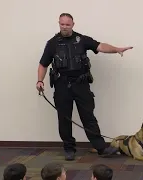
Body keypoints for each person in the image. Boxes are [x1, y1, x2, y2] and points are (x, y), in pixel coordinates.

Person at [36, 13, 133, 161]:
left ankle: (101, 148)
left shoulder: (82, 40)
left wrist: (116, 49)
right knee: (64, 119)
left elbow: (100, 46)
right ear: (59, 24)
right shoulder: (52, 43)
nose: (64, 27)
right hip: (62, 85)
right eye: (62, 24)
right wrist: (40, 81)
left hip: (81, 85)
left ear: (73, 24)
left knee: (88, 117)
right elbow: (43, 64)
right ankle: (69, 149)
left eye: (67, 24)